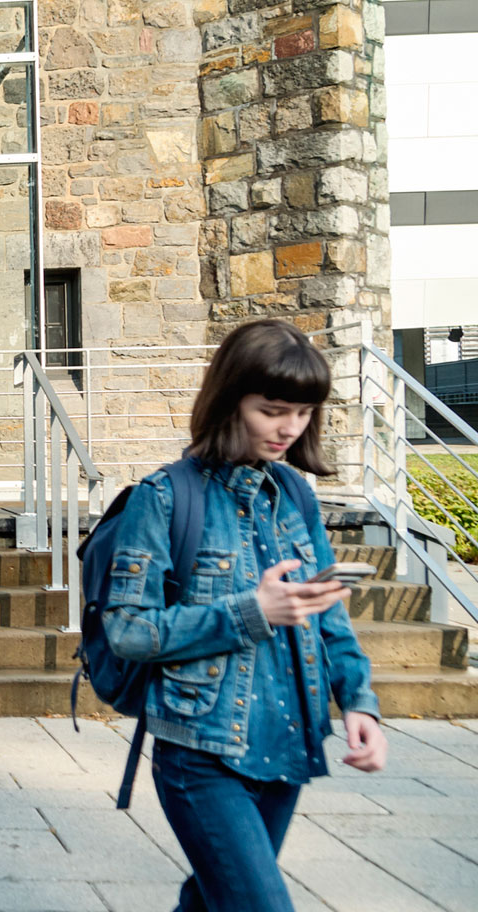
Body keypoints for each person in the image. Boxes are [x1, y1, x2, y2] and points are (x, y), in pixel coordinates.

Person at [103, 319, 385, 911]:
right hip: (202, 754)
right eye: (273, 409)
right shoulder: (164, 497)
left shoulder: (296, 496)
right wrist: (250, 611)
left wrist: (359, 701)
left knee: (213, 902)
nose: (290, 428)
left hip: (289, 745)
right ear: (230, 399)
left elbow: (328, 619)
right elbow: (128, 631)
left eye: (304, 413)